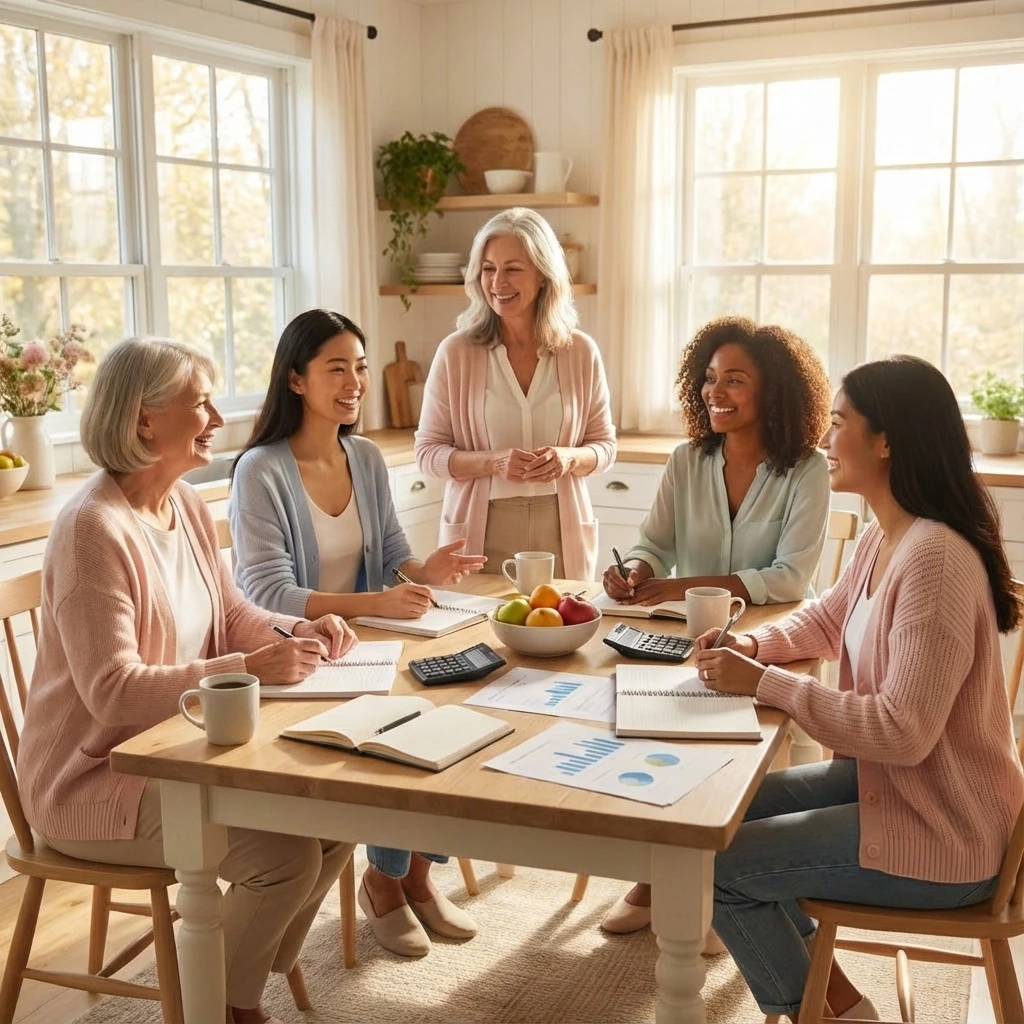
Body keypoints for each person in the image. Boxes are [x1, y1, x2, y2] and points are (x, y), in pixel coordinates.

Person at [16, 337, 359, 1024]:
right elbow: (112, 690)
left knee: (337, 819)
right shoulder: (92, 530)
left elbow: (231, 614)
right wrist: (246, 669)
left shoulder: (185, 503)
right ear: (144, 420)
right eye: (199, 404)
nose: (217, 418)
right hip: (93, 779)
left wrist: (294, 633)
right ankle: (227, 1005)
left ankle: (239, 973)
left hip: (180, 753)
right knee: (285, 859)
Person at [692, 355, 1024, 1022]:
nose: (823, 438)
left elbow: (902, 732)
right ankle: (839, 1005)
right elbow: (827, 615)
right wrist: (751, 644)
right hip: (899, 792)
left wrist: (768, 684)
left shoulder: (934, 559)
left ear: (886, 440)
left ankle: (830, 1014)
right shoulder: (887, 535)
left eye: (839, 423)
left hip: (947, 830)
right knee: (712, 822)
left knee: (723, 871)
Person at [230, 308, 483, 958]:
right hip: (305, 661)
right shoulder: (261, 470)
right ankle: (386, 883)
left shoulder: (364, 455)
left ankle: (415, 875)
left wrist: (428, 570)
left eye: (361, 368)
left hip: (368, 649)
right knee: (403, 726)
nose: (355, 382)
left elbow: (393, 547)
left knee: (459, 706)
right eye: (336, 368)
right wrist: (378, 601)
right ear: (295, 379)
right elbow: (266, 593)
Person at [600, 316, 832, 935]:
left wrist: (677, 585)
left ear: (773, 392)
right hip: (691, 640)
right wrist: (636, 569)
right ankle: (657, 874)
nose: (715, 393)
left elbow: (787, 579)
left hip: (780, 645)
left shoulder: (807, 469)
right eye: (708, 379)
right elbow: (654, 540)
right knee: (645, 720)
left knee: (740, 765)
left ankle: (724, 884)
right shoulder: (687, 459)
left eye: (735, 380)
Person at [415, 206, 616, 583]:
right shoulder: (457, 352)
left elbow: (604, 446)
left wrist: (568, 458)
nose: (497, 282)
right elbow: (427, 453)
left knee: (561, 632)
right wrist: (494, 462)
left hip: (562, 526)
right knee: (477, 635)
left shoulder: (581, 352)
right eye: (488, 269)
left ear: (542, 274)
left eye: (512, 269)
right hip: (482, 531)